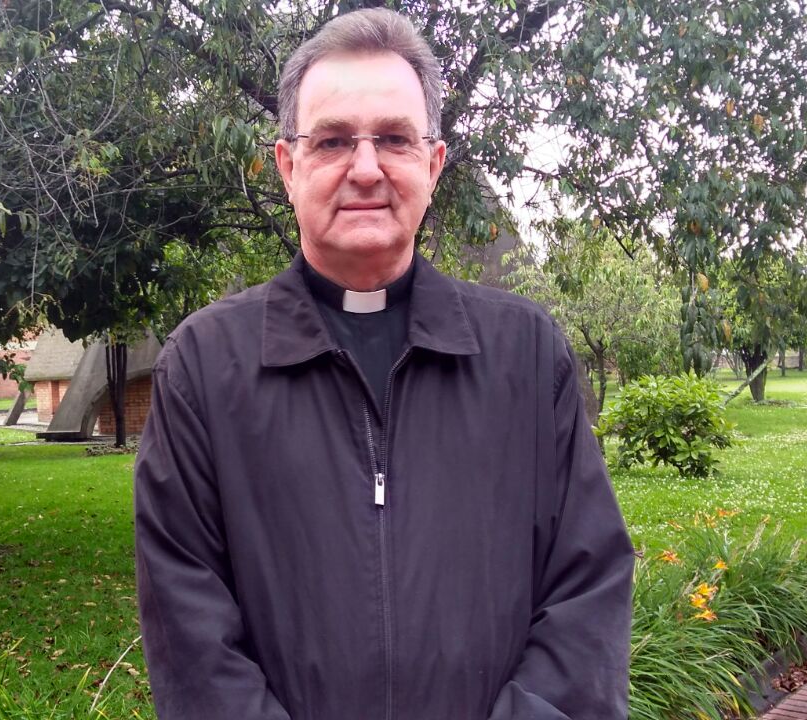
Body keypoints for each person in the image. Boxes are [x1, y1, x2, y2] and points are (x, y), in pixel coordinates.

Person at [133, 8, 634, 719]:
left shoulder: (527, 356)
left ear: (432, 164)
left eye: (394, 139)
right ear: (288, 166)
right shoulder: (203, 370)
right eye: (333, 140)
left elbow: (588, 595)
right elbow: (192, 643)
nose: (365, 169)